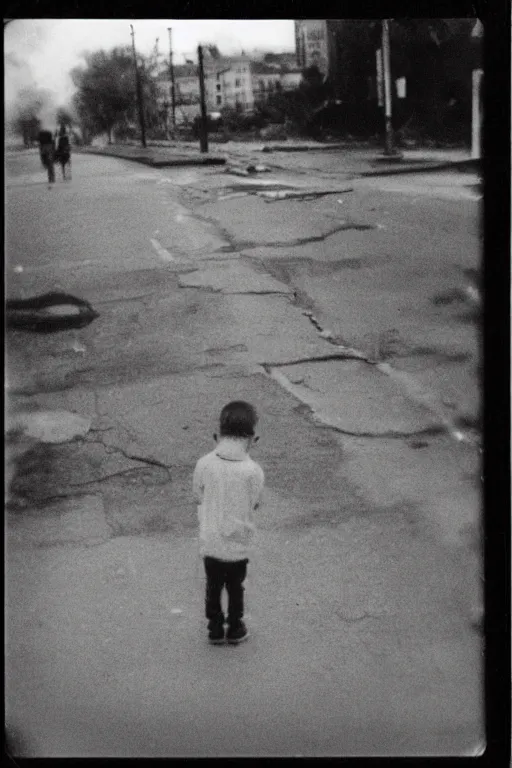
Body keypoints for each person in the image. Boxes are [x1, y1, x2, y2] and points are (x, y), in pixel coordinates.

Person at [193, 401, 264, 645]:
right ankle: (235, 627)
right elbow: (255, 502)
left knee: (213, 586)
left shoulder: (203, 464)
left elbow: (197, 495)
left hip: (211, 539)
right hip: (238, 543)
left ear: (217, 435)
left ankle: (214, 627)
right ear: (252, 440)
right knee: (236, 588)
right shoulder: (253, 471)